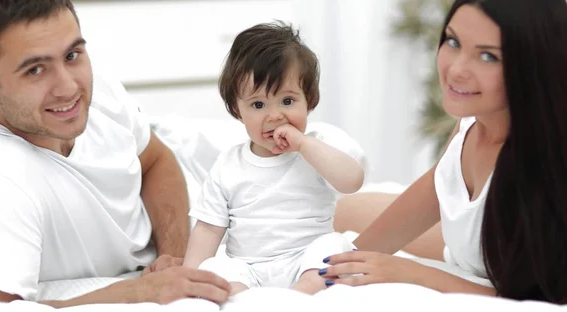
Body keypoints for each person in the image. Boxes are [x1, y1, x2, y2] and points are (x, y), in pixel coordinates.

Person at [0, 0, 231, 307]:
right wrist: (141, 292)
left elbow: (156, 160)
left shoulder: (97, 90)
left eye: (72, 55)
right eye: (35, 70)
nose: (68, 88)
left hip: (204, 177)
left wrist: (173, 257)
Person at [323, 0, 567, 304]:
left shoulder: (543, 163)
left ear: (534, 62)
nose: (456, 69)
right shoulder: (472, 122)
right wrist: (342, 264)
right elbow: (435, 187)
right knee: (333, 212)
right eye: (453, 41)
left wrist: (413, 272)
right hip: (468, 247)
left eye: (488, 56)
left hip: (499, 262)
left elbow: (540, 296)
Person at [182, 22, 364, 296]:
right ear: (237, 110)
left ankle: (301, 293)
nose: (275, 115)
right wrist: (190, 278)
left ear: (309, 100)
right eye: (258, 105)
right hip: (248, 267)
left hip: (307, 259)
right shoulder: (228, 166)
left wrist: (304, 144)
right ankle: (245, 297)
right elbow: (208, 229)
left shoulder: (316, 149)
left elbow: (352, 181)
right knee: (218, 268)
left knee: (334, 246)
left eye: (288, 101)